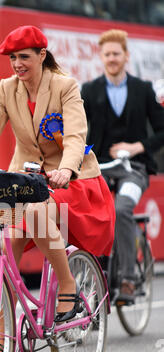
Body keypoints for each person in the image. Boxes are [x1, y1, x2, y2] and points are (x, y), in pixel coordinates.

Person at [0, 25, 115, 352]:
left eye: (24, 57)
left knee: (37, 214)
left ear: (42, 55)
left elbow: (75, 137)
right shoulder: (6, 89)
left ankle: (67, 284)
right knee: (7, 247)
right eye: (12, 58)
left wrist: (66, 169)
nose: (17, 64)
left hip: (73, 183)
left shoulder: (65, 86)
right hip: (27, 183)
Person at [81, 29, 164, 303]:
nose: (112, 59)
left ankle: (128, 278)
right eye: (107, 54)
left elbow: (162, 130)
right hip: (100, 168)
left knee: (122, 208)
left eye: (117, 54)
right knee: (92, 214)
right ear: (101, 57)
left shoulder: (142, 90)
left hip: (134, 169)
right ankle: (96, 275)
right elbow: (79, 129)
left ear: (126, 56)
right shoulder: (90, 91)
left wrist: (137, 147)